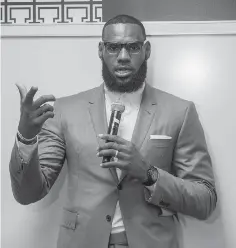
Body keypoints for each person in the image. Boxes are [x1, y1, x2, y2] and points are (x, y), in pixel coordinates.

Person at [9, 14, 217, 248]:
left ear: (147, 50)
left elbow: (204, 200)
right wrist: (26, 138)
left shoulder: (180, 111)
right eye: (114, 47)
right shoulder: (65, 110)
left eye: (133, 47)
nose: (123, 57)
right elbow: (28, 194)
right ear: (101, 49)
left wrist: (149, 173)